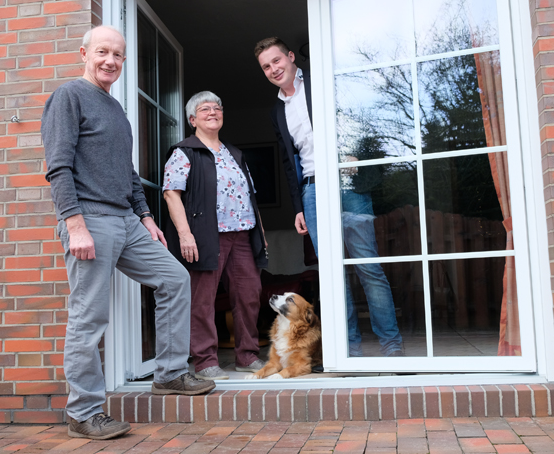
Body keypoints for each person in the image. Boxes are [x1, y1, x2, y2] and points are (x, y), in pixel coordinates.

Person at [41, 25, 215, 441]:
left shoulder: (116, 109)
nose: (110, 61)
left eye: (118, 56)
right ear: (85, 53)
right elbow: (58, 166)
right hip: (90, 220)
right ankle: (83, 413)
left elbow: (128, 172)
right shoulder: (69, 96)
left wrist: (147, 217)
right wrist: (75, 223)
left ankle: (170, 373)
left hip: (126, 220)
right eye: (103, 52)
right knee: (89, 316)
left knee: (173, 278)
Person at [254, 37, 404, 357]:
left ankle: (392, 346)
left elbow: (360, 119)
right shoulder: (276, 110)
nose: (273, 69)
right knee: (333, 272)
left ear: (291, 57)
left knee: (368, 267)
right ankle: (349, 350)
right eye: (266, 66)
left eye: (277, 61)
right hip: (311, 190)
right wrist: (298, 207)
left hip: (348, 185)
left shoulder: (324, 81)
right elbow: (287, 159)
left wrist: (355, 154)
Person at [162, 91, 269, 380]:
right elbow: (171, 194)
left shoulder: (235, 154)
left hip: (243, 234)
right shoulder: (184, 152)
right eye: (204, 109)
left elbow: (250, 196)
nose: (212, 112)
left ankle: (247, 356)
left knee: (249, 295)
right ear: (192, 119)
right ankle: (205, 361)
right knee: (203, 298)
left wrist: (259, 231)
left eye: (217, 108)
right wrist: (185, 236)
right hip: (207, 235)